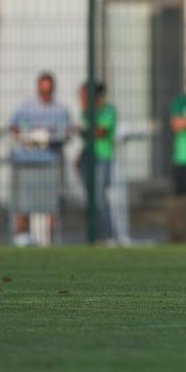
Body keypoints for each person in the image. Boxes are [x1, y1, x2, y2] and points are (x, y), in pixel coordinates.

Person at [9, 72, 71, 247]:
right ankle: (20, 238)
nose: (45, 94)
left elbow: (66, 133)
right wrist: (28, 135)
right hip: (27, 162)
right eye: (42, 91)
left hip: (50, 161)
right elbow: (13, 128)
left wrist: (50, 135)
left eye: (48, 91)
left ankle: (47, 241)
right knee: (23, 202)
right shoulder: (26, 107)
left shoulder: (60, 110)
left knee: (49, 203)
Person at [77, 81, 116, 242]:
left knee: (99, 197)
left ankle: (107, 235)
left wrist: (86, 129)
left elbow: (100, 132)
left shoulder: (108, 111)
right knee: (91, 198)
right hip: (88, 157)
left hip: (102, 157)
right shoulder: (86, 112)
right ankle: (95, 234)